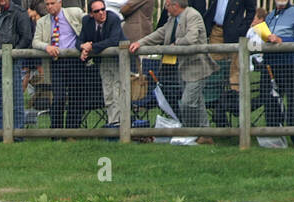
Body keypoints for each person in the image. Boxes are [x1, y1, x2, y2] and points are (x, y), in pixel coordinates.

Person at [131, 0, 213, 139]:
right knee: (197, 101)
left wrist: (175, 44)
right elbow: (159, 34)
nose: (165, 8)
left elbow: (191, 38)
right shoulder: (172, 19)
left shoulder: (193, 15)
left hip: (197, 67)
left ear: (175, 5)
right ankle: (205, 135)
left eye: (167, 5)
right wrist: (140, 42)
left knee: (188, 102)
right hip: (183, 68)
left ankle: (190, 133)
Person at [0, 0, 33, 129]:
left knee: (15, 99)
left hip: (12, 62)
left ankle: (17, 132)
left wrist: (12, 54)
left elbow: (26, 37)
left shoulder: (19, 13)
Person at [264, 0, 294, 145]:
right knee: (270, 101)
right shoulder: (270, 16)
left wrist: (281, 40)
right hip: (270, 64)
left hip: (288, 63)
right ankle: (274, 137)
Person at [34, 0, 83, 129]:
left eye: (52, 3)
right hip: (56, 62)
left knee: (76, 97)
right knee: (59, 97)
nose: (49, 7)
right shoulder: (42, 22)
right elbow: (35, 42)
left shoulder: (75, 13)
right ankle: (56, 130)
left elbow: (87, 28)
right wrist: (47, 47)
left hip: (75, 61)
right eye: (47, 4)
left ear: (60, 3)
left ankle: (72, 131)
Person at [79, 0, 123, 126]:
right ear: (91, 14)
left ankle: (118, 124)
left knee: (117, 92)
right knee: (107, 92)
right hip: (102, 61)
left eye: (103, 9)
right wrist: (83, 46)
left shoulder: (114, 19)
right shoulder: (87, 21)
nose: (101, 13)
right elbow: (80, 40)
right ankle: (112, 123)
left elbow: (113, 40)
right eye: (97, 11)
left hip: (118, 60)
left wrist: (91, 47)